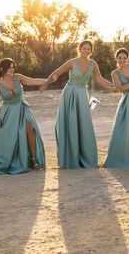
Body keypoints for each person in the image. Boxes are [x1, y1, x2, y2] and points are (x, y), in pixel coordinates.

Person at [42, 40, 114, 169]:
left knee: (84, 124)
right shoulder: (72, 62)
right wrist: (46, 83)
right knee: (70, 123)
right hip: (69, 94)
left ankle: (85, 158)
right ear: (79, 49)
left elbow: (99, 79)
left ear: (91, 51)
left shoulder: (93, 64)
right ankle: (70, 158)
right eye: (84, 48)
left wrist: (113, 86)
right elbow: (56, 73)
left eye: (88, 49)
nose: (86, 51)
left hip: (82, 94)